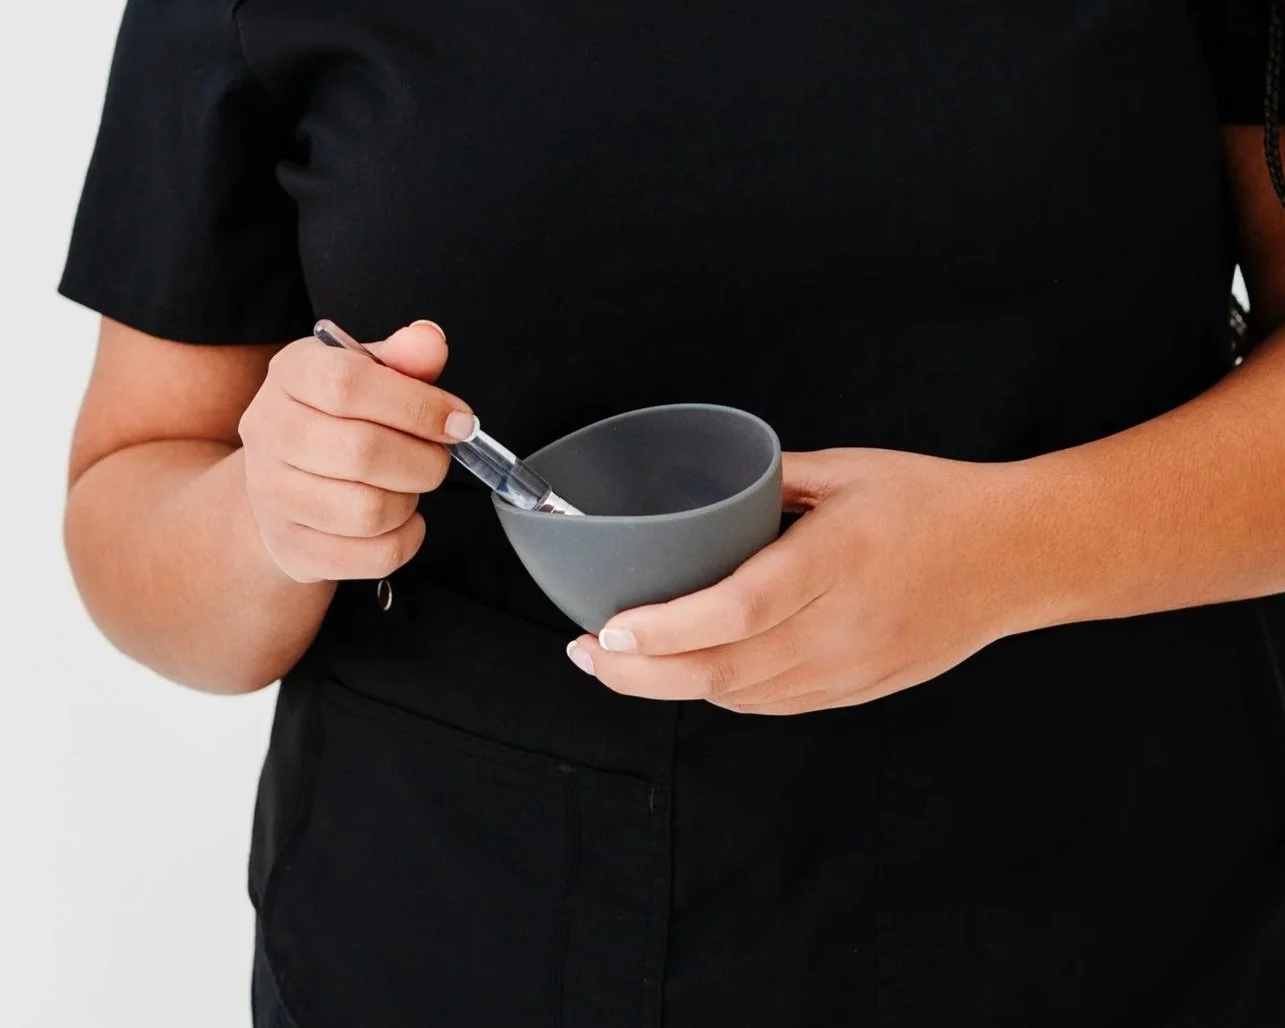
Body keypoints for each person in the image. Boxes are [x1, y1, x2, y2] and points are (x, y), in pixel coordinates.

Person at [59, 0, 1285, 1024]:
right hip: (449, 939)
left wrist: (1004, 556)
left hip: (1118, 908)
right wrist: (273, 512)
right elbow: (133, 501)